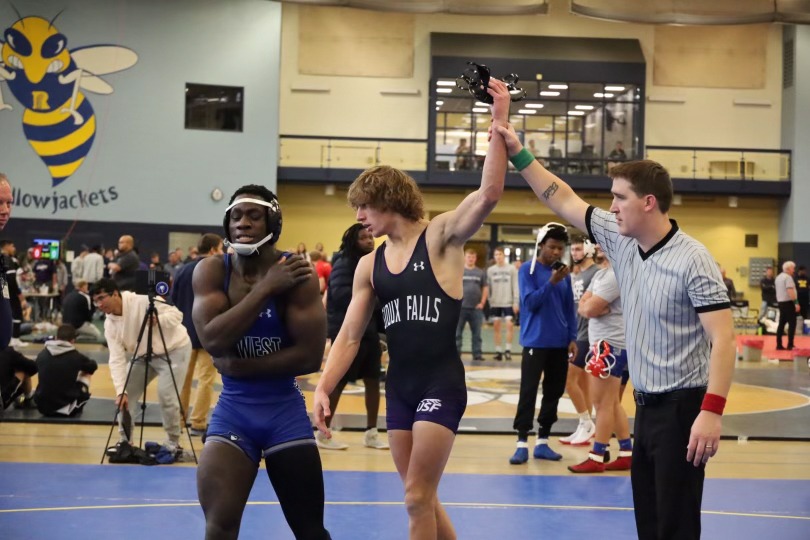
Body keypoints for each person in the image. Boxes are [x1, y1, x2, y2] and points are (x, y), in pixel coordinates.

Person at [494, 122, 735, 539]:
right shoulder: (622, 241)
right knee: (649, 523)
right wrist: (516, 150)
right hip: (645, 405)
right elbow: (563, 198)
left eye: (619, 198)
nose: (613, 206)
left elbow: (724, 340)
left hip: (683, 410)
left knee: (675, 526)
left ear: (648, 202)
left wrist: (711, 412)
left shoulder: (694, 259)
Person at [313, 78, 510, 539]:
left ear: (388, 201)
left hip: (440, 381)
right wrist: (324, 385)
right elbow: (349, 335)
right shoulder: (369, 265)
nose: (359, 216)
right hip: (399, 386)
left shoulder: (441, 237)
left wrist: (499, 119)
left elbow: (489, 194)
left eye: (363, 206)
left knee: (416, 497)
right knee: (420, 497)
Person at [191, 185, 330, 539]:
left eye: (254, 216)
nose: (244, 224)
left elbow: (309, 356)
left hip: (283, 411)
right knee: (218, 528)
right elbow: (212, 339)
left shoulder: (298, 273)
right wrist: (266, 288)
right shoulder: (210, 271)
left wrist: (240, 367)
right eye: (236, 216)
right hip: (234, 412)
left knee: (310, 531)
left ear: (273, 221)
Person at [91, 278, 191, 453]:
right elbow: (116, 358)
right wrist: (120, 390)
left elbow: (177, 315)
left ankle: (174, 442)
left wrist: (158, 320)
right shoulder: (109, 325)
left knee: (166, 396)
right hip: (144, 354)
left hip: (174, 349)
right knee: (124, 396)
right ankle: (125, 441)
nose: (99, 304)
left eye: (101, 298)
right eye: (95, 300)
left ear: (115, 294)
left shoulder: (143, 299)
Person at [509, 224, 577, 465]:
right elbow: (529, 304)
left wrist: (572, 337)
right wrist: (551, 282)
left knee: (553, 393)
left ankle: (542, 442)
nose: (557, 252)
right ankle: (521, 444)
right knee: (528, 392)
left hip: (559, 343)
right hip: (534, 342)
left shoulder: (564, 274)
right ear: (541, 245)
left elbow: (570, 308)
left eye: (560, 248)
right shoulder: (527, 270)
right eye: (552, 247)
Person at [319, 223, 388, 451]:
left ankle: (371, 433)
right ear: (352, 242)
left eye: (370, 236)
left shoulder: (374, 264)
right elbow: (340, 296)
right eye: (363, 238)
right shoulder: (343, 263)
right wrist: (371, 297)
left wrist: (380, 332)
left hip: (369, 335)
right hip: (346, 334)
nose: (369, 240)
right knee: (337, 382)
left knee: (373, 382)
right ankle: (323, 434)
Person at [569, 250, 633, 473]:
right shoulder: (600, 275)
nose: (597, 246)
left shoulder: (615, 274)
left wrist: (593, 308)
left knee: (602, 404)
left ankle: (596, 457)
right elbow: (583, 305)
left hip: (609, 346)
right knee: (612, 403)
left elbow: (590, 308)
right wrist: (591, 307)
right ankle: (626, 453)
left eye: (602, 242)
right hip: (606, 345)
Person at [171, 233, 223, 437]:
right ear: (211, 250)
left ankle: (179, 420)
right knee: (206, 379)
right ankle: (198, 422)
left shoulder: (182, 270)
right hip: (207, 332)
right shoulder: (216, 271)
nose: (221, 253)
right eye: (219, 249)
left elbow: (173, 301)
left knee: (183, 379)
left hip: (184, 333)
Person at [559, 236, 599, 447]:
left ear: (589, 249)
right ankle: (585, 424)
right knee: (582, 383)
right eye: (572, 250)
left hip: (587, 334)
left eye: (577, 249)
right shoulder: (579, 274)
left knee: (569, 381)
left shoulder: (596, 273)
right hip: (577, 334)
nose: (574, 253)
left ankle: (586, 422)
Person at [34, 324, 98, 417]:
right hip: (66, 409)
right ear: (72, 341)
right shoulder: (75, 356)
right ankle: (75, 400)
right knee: (86, 372)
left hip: (42, 407)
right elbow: (93, 366)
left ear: (56, 337)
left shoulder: (42, 354)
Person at [487, 246, 519, 361]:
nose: (498, 257)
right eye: (496, 255)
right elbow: (488, 287)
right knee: (496, 327)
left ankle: (508, 350)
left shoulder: (511, 269)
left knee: (510, 325)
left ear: (503, 256)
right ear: (494, 256)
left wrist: (516, 302)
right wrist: (490, 301)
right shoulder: (490, 270)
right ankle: (498, 351)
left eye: (500, 254)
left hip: (508, 302)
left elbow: (516, 286)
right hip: (495, 302)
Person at [456, 248, 488, 362]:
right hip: (460, 308)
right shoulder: (458, 270)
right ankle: (456, 355)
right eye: (469, 257)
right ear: (465, 257)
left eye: (473, 257)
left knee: (477, 334)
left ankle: (477, 354)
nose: (471, 259)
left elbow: (485, 287)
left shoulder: (480, 272)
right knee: (457, 334)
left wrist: (482, 302)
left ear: (475, 259)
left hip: (476, 308)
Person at [775, 261, 799, 351]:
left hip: (781, 303)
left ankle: (779, 344)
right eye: (793, 268)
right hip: (788, 303)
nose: (794, 270)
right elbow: (790, 291)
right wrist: (796, 302)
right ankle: (790, 344)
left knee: (781, 324)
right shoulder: (788, 278)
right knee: (792, 324)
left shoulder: (778, 277)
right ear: (788, 269)